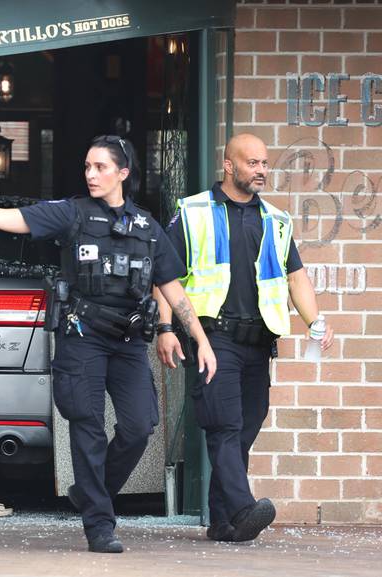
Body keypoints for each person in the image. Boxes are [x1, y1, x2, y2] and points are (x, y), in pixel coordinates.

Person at [0, 135, 216, 554]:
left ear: (122, 173)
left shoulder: (147, 227)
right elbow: (3, 219)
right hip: (82, 336)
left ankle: (92, 493)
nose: (91, 174)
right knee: (87, 427)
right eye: (87, 167)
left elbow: (174, 291)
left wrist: (199, 340)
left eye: (100, 167)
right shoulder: (70, 213)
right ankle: (100, 526)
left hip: (127, 341)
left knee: (139, 425)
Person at [155, 133, 334, 543]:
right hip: (211, 337)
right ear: (229, 165)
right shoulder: (193, 212)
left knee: (246, 428)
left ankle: (223, 524)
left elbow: (295, 277)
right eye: (252, 163)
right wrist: (165, 328)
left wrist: (315, 321)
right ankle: (242, 507)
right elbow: (164, 276)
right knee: (224, 426)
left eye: (265, 164)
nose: (261, 171)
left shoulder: (275, 219)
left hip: (258, 342)